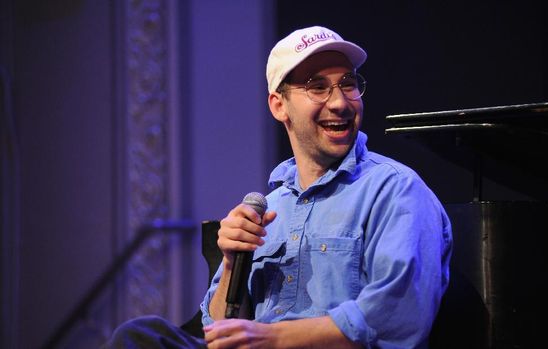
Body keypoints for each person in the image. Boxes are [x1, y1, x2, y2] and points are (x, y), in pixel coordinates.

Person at [103, 25, 452, 349]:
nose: (341, 102)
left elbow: (398, 316)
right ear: (278, 105)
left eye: (348, 83)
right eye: (317, 86)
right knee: (140, 335)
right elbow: (218, 327)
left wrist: (273, 338)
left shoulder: (395, 190)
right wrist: (230, 265)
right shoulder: (272, 207)